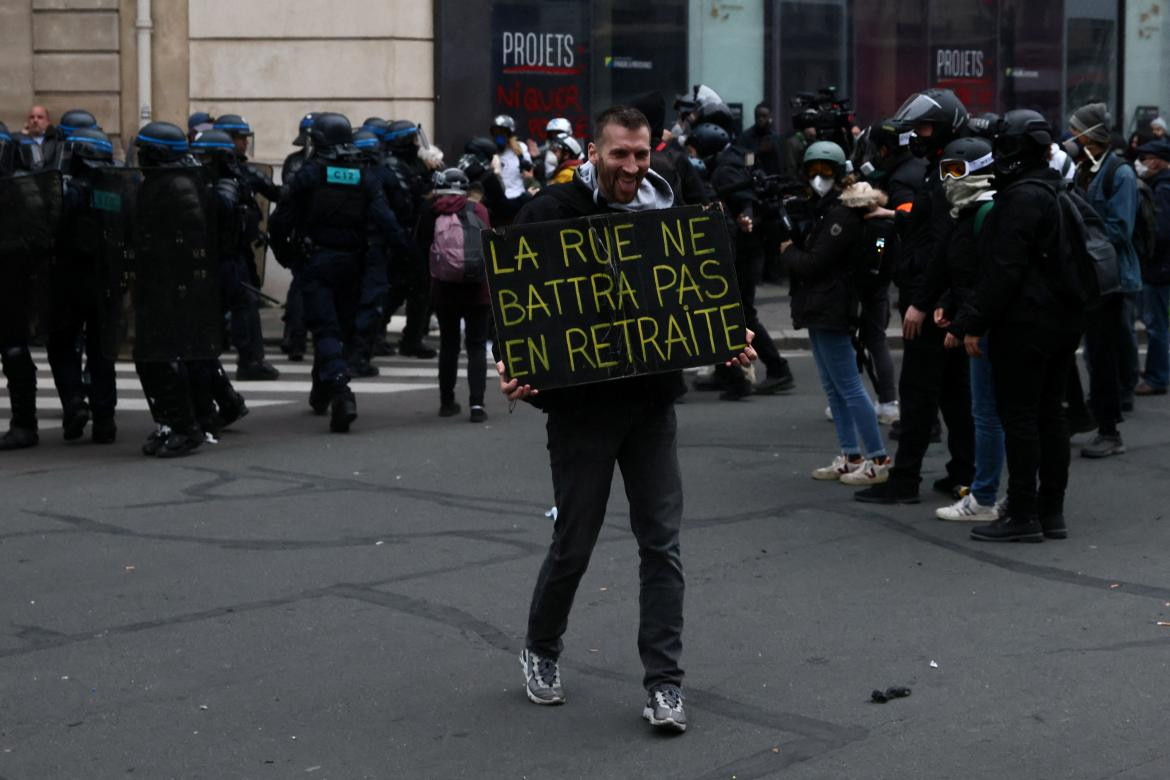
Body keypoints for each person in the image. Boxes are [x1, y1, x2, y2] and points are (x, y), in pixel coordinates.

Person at [500, 104, 757, 734]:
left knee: (661, 546)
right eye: (620, 154)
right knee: (575, 543)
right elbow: (516, 300)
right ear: (594, 152)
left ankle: (664, 685)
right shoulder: (548, 214)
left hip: (649, 405)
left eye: (641, 155)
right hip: (582, 412)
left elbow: (700, 296)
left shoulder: (672, 218)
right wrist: (517, 367)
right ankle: (542, 647)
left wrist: (726, 337)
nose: (632, 167)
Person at [953, 110, 1083, 542]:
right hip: (1062, 321)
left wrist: (973, 322)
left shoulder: (1020, 198)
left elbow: (1002, 270)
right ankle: (1052, 512)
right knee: (1051, 416)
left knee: (1021, 418)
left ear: (1011, 149)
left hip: (1026, 324)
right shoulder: (1057, 190)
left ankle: (1023, 512)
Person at [855, 88, 975, 505]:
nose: (917, 135)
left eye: (924, 127)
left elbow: (944, 245)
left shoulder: (945, 172)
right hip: (945, 299)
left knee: (920, 391)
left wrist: (924, 301)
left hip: (931, 300)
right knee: (955, 394)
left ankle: (905, 480)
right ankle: (964, 471)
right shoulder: (938, 168)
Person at [278, 112, 401, 432]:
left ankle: (341, 392)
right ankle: (322, 391)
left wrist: (286, 256)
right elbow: (387, 221)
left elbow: (281, 221)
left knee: (325, 330)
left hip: (317, 262)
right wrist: (407, 260)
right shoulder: (364, 176)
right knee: (341, 330)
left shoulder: (310, 174)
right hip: (353, 265)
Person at [781, 141, 890, 485]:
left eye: (826, 171)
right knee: (833, 386)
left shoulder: (840, 215)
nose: (818, 177)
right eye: (812, 170)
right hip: (819, 305)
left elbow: (813, 263)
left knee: (848, 386)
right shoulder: (829, 210)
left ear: (840, 173)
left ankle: (877, 458)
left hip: (832, 305)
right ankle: (850, 454)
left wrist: (787, 251)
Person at [689, 120, 796, 398]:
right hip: (751, 247)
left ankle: (778, 368)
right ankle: (727, 372)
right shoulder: (736, 158)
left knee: (743, 313)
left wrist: (745, 216)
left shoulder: (724, 169)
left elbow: (744, 200)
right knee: (733, 312)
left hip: (745, 251)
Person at [929, 136, 1005, 522]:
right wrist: (947, 303)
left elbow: (985, 279)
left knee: (987, 414)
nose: (949, 180)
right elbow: (961, 273)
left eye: (957, 171)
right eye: (946, 171)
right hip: (979, 320)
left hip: (986, 326)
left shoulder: (985, 212)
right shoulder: (967, 210)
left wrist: (964, 324)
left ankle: (985, 496)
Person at [1067, 103, 1139, 458]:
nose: (1073, 138)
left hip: (1111, 280)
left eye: (1077, 131)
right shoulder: (1085, 169)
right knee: (1090, 353)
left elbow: (1121, 229)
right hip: (1089, 276)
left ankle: (1110, 432)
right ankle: (1085, 416)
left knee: (1103, 355)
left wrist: (1081, 233)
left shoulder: (1119, 173)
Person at [48, 126, 120, 444]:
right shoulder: (117, 190)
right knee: (102, 350)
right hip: (107, 279)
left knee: (62, 344)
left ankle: (74, 402)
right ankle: (104, 420)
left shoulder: (64, 189)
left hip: (68, 279)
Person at [211, 114, 282, 380]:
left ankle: (251, 358)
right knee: (243, 304)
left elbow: (276, 194)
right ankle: (247, 360)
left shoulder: (245, 173)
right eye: (240, 138)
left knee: (246, 302)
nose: (244, 143)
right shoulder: (229, 176)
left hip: (240, 250)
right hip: (224, 255)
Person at [418, 168, 491, 421]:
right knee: (477, 345)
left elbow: (419, 248)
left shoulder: (431, 211)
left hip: (444, 289)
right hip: (477, 289)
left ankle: (447, 402)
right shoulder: (479, 211)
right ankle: (477, 405)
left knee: (449, 345)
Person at [0, 120, 42, 450]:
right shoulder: (25, 183)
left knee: (14, 349)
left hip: (11, 276)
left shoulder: (19, 185)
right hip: (16, 275)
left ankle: (25, 423)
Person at [382, 119, 438, 359]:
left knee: (405, 287)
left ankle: (384, 334)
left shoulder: (407, 163)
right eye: (413, 140)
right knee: (412, 287)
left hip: (410, 233)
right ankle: (409, 339)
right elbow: (410, 197)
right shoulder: (394, 165)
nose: (417, 144)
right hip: (403, 234)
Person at [278, 113, 315, 361]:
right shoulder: (305, 165)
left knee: (300, 289)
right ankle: (296, 339)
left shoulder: (293, 162)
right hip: (312, 234)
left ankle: (294, 338)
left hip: (301, 233)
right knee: (303, 289)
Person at [1134, 138, 1170, 396]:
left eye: (1144, 159)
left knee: (1156, 325)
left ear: (1157, 161)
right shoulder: (1160, 185)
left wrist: (1145, 253)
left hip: (1159, 269)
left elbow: (1160, 232)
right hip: (1161, 267)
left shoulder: (1163, 189)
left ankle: (1157, 377)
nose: (1141, 164)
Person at [741, 102, 784, 176]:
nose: (760, 119)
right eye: (757, 116)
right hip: (752, 180)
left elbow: (780, 164)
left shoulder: (775, 138)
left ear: (770, 117)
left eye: (764, 116)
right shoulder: (746, 137)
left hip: (772, 180)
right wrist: (758, 151)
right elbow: (746, 163)